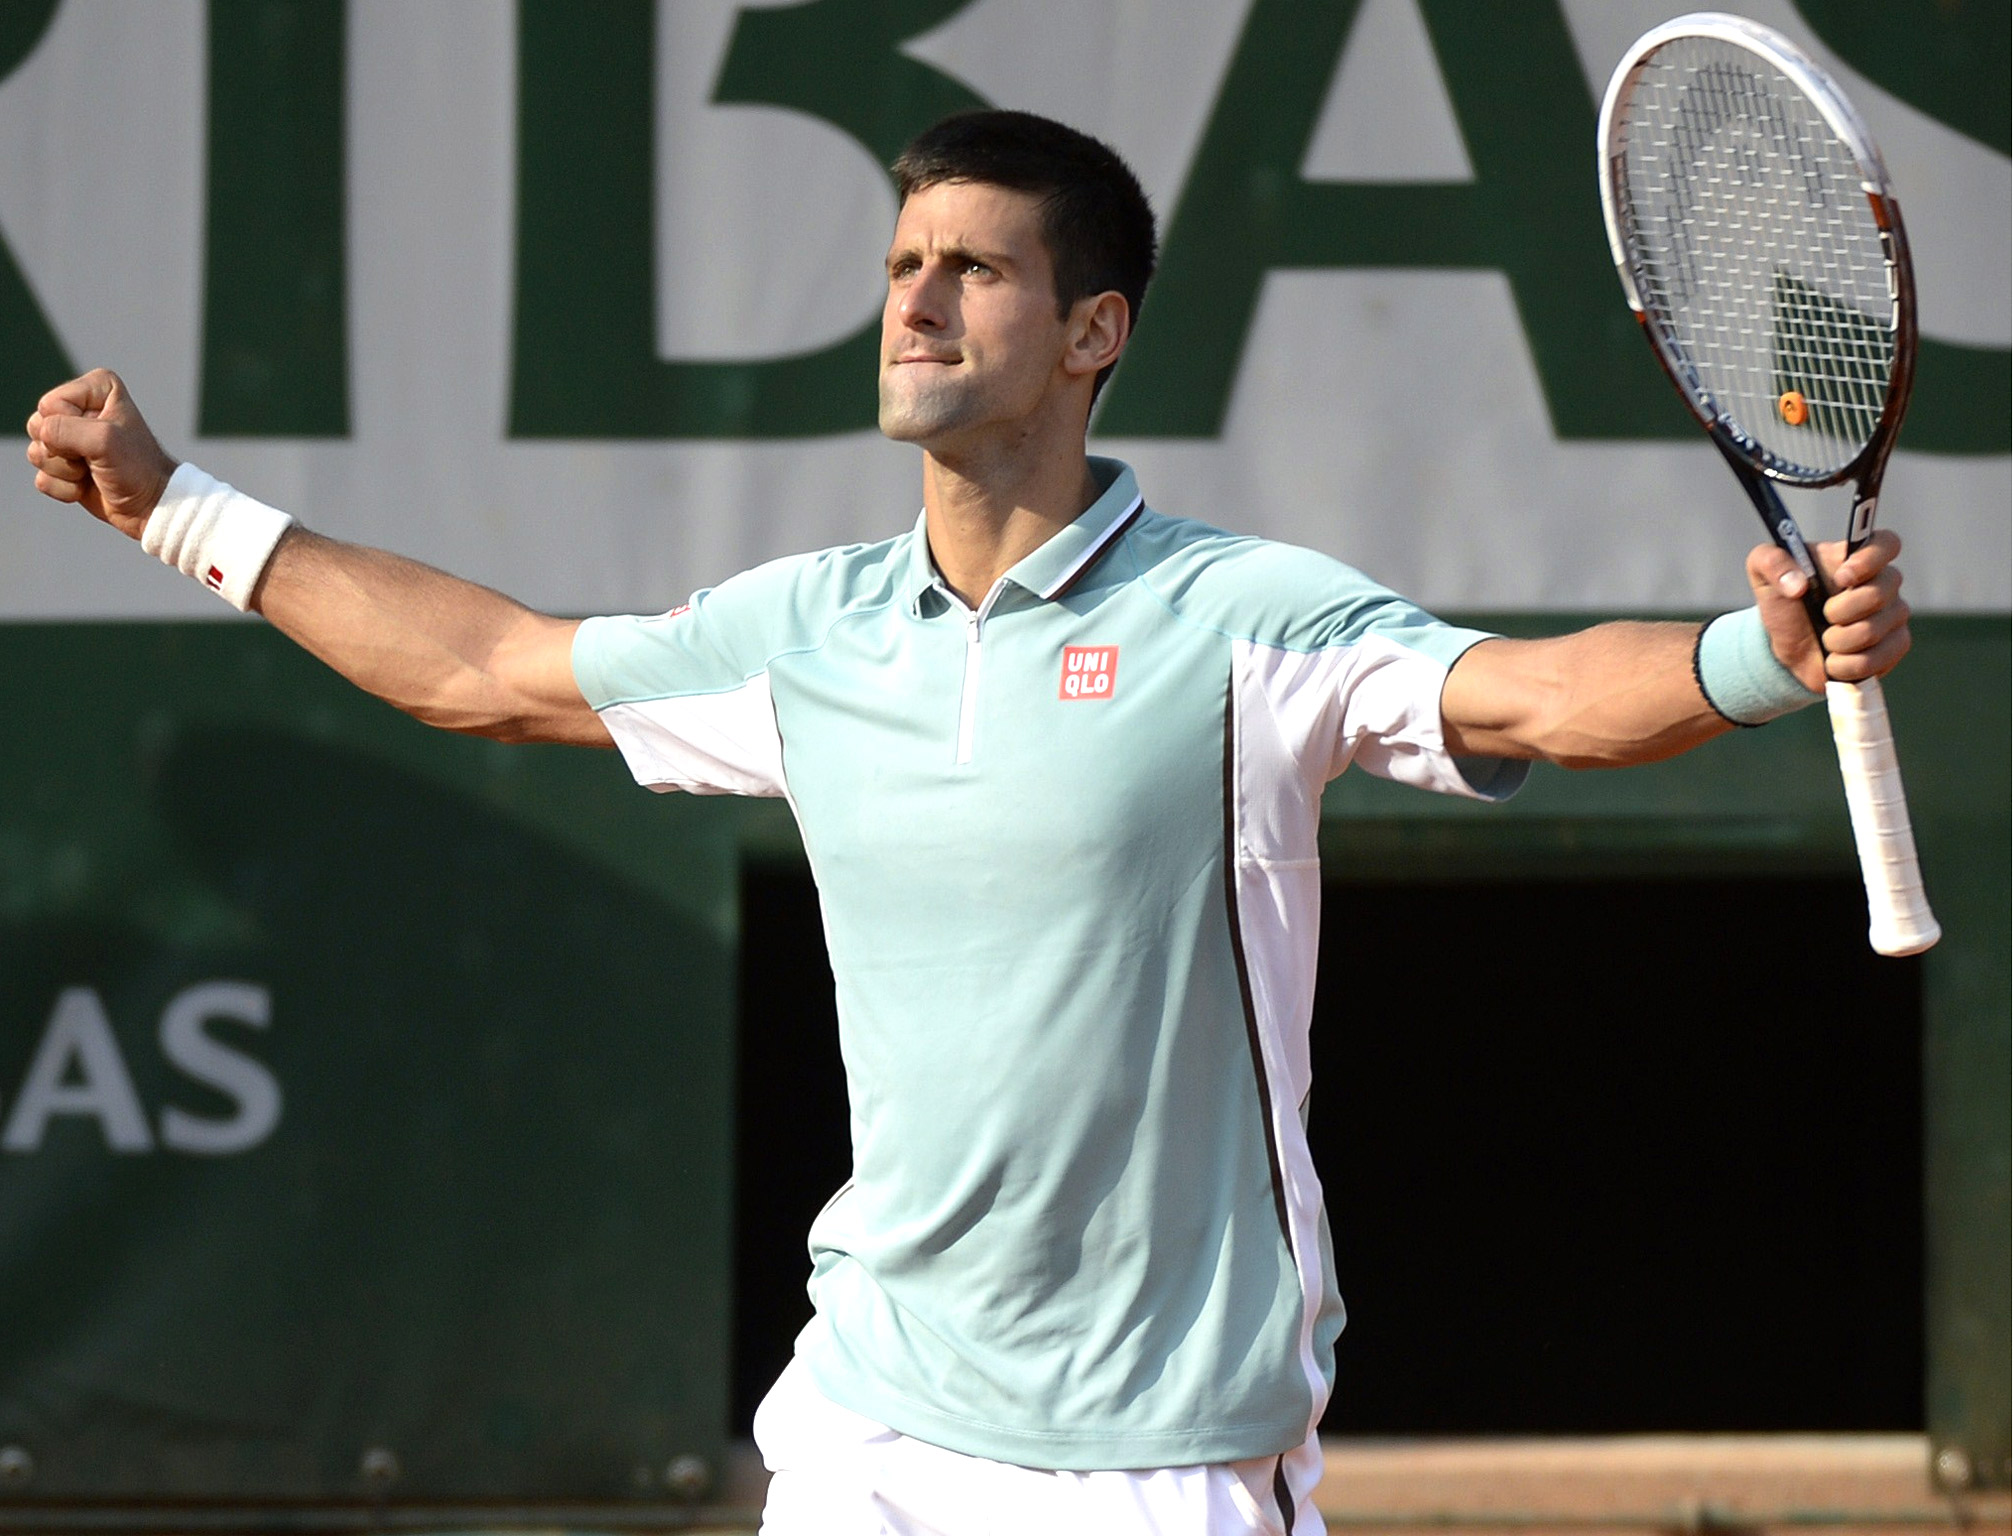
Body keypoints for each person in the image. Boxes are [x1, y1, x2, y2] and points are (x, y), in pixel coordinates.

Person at [24, 110, 1910, 1536]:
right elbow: (488, 669)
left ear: (1093, 331)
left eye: (971, 270)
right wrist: (176, 509)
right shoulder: (808, 634)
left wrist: (1753, 664)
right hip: (872, 1433)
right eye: (901, 263)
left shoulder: (1241, 621)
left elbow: (1540, 702)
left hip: (1160, 1457)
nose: (912, 300)